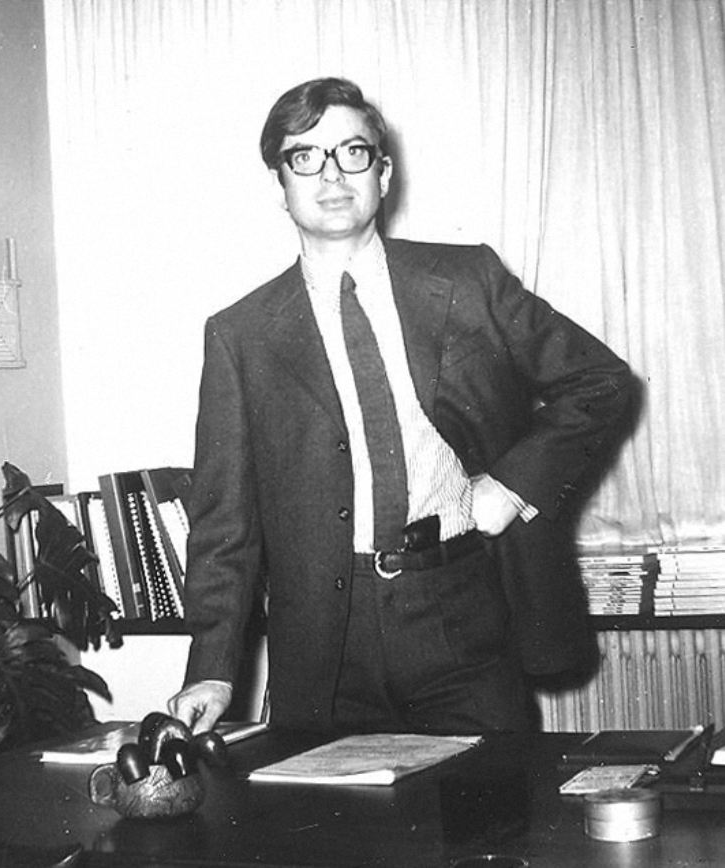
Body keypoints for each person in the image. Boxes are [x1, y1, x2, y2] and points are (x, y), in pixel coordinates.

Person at [168, 77, 633, 735]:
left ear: (383, 174)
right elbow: (224, 524)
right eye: (305, 156)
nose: (331, 174)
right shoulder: (240, 336)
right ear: (280, 184)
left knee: (493, 800)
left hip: (459, 615)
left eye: (352, 152)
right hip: (324, 648)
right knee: (326, 805)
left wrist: (509, 486)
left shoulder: (467, 281)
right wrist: (212, 667)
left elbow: (599, 381)